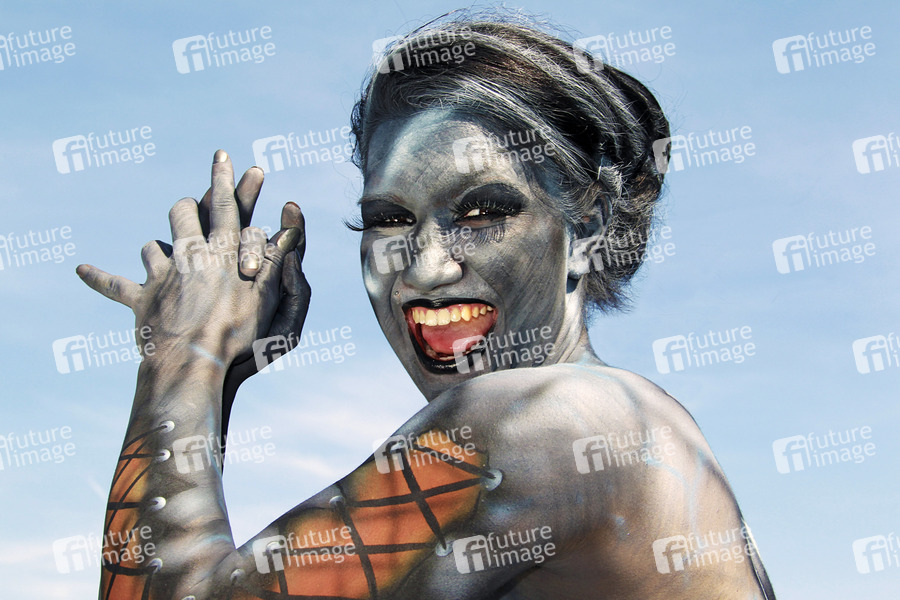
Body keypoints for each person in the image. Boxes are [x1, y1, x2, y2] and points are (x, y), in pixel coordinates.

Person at [77, 14, 776, 600]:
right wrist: (220, 376)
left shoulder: (553, 421)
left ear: (587, 228)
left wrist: (185, 354)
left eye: (483, 212)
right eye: (389, 220)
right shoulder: (621, 427)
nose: (425, 267)